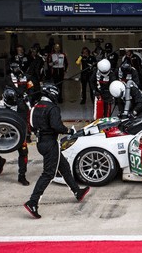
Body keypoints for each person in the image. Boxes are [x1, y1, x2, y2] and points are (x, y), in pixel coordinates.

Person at [24, 83, 90, 219]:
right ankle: (33, 202)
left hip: (40, 142)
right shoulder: (52, 108)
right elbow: (56, 126)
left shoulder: (35, 106)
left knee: (64, 167)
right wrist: (69, 130)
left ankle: (77, 192)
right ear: (52, 94)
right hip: (50, 143)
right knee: (48, 174)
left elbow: (30, 124)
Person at [0, 87, 30, 186]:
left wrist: (27, 134)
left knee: (24, 152)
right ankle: (0, 160)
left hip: (16, 132)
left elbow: (25, 121)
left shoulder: (20, 105)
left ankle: (22, 176)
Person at [5, 62, 34, 143]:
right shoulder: (8, 78)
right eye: (14, 68)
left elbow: (31, 88)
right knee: (11, 118)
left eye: (18, 67)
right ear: (11, 69)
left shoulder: (26, 77)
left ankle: (27, 135)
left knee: (26, 119)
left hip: (24, 101)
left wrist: (29, 97)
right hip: (12, 102)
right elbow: (6, 89)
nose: (17, 69)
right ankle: (12, 134)